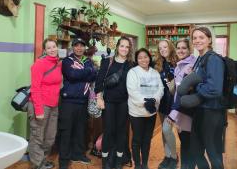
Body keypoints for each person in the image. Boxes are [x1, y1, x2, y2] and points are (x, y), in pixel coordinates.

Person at [95, 36, 134, 169]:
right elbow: (99, 82)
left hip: (124, 103)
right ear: (117, 47)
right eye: (122, 46)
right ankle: (105, 162)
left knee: (121, 132)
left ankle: (118, 161)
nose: (124, 49)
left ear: (129, 49)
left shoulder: (131, 65)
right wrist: (99, 98)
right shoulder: (107, 62)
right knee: (108, 131)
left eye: (127, 47)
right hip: (109, 103)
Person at [58, 38, 97, 169]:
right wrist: (88, 72)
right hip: (68, 101)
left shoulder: (88, 61)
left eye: (82, 46)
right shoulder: (67, 61)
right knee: (66, 131)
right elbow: (71, 75)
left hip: (83, 101)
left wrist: (86, 72)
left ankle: (78, 154)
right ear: (73, 47)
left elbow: (94, 75)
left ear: (84, 48)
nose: (79, 48)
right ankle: (64, 160)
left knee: (80, 130)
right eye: (76, 46)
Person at [190, 27, 225, 169]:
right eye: (195, 38)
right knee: (196, 151)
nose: (197, 40)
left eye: (201, 37)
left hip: (213, 112)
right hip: (200, 111)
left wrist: (196, 86)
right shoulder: (200, 59)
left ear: (209, 40)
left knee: (213, 153)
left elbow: (214, 89)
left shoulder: (214, 59)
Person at [126, 48, 164, 169]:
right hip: (136, 112)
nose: (143, 59)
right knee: (137, 139)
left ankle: (145, 164)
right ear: (137, 60)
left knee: (147, 139)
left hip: (151, 112)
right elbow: (132, 91)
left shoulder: (154, 72)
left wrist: (154, 100)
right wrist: (145, 102)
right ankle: (137, 164)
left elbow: (161, 89)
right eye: (140, 57)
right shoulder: (133, 72)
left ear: (149, 58)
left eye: (145, 56)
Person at [28, 38, 62, 169]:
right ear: (44, 50)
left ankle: (42, 160)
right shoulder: (39, 64)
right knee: (37, 137)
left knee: (50, 137)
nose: (52, 50)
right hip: (40, 105)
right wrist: (39, 110)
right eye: (49, 48)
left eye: (54, 47)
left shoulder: (58, 63)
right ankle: (37, 165)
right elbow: (35, 88)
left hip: (54, 105)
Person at [167, 39, 196, 169]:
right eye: (178, 48)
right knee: (184, 143)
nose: (180, 50)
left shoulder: (191, 65)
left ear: (189, 49)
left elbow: (183, 93)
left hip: (186, 112)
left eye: (184, 48)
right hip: (180, 111)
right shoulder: (179, 66)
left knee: (188, 145)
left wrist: (173, 115)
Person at [154, 39, 178, 169]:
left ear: (170, 47)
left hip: (174, 102)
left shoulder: (178, 62)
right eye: (160, 48)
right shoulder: (158, 64)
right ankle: (167, 156)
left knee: (166, 129)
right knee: (165, 132)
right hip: (162, 102)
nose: (163, 49)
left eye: (165, 47)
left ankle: (174, 157)